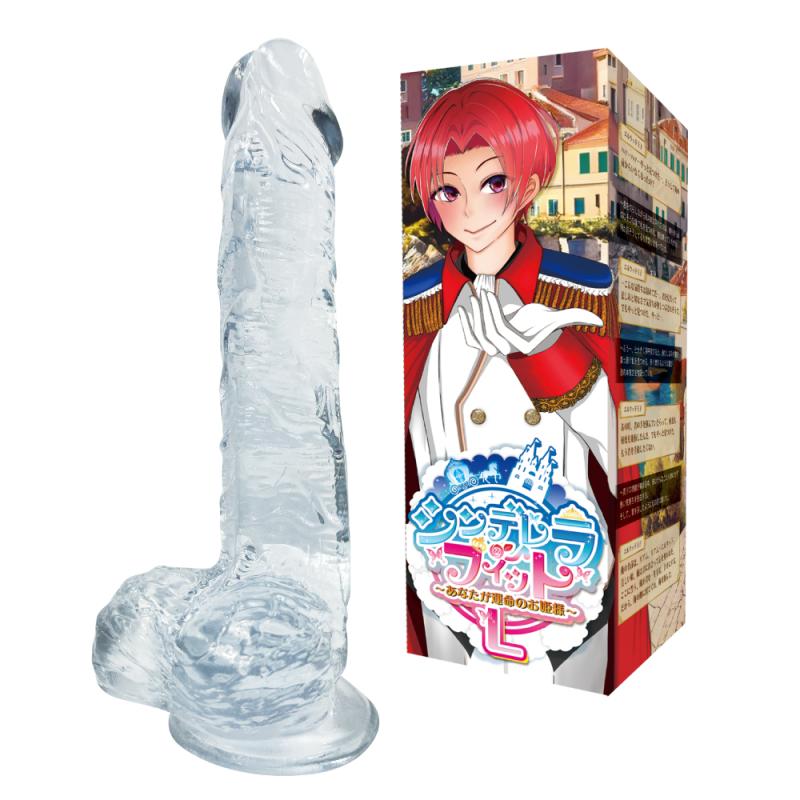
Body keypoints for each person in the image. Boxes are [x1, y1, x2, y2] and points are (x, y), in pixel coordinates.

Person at [403, 79, 650, 691]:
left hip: (563, 577)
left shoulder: (584, 292)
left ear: (531, 185)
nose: (471, 211)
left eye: (493, 183)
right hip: (450, 577)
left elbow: (632, 453)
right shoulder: (414, 307)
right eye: (449, 191)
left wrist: (550, 358)